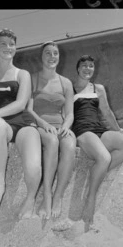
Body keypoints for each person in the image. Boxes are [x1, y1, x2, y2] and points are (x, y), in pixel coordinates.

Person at [0, 29, 42, 219]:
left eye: (11, 44)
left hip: (22, 123)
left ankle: (30, 198)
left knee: (33, 168)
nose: (8, 47)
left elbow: (21, 104)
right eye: (3, 44)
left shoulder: (22, 74)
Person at [72, 54, 123, 230]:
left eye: (91, 66)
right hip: (82, 131)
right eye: (84, 65)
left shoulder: (98, 88)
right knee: (104, 158)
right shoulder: (69, 88)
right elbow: (64, 114)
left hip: (99, 129)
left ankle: (97, 171)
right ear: (78, 68)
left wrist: (117, 129)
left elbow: (106, 111)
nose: (87, 68)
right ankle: (90, 198)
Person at [27, 41, 76, 220]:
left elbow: (70, 113)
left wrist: (65, 127)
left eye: (55, 53)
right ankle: (46, 194)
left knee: (70, 145)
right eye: (47, 53)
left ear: (59, 57)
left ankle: (58, 196)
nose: (51, 57)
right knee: (52, 141)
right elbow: (28, 109)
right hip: (38, 124)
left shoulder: (66, 83)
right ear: (41, 57)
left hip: (59, 125)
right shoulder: (32, 78)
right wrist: (42, 123)